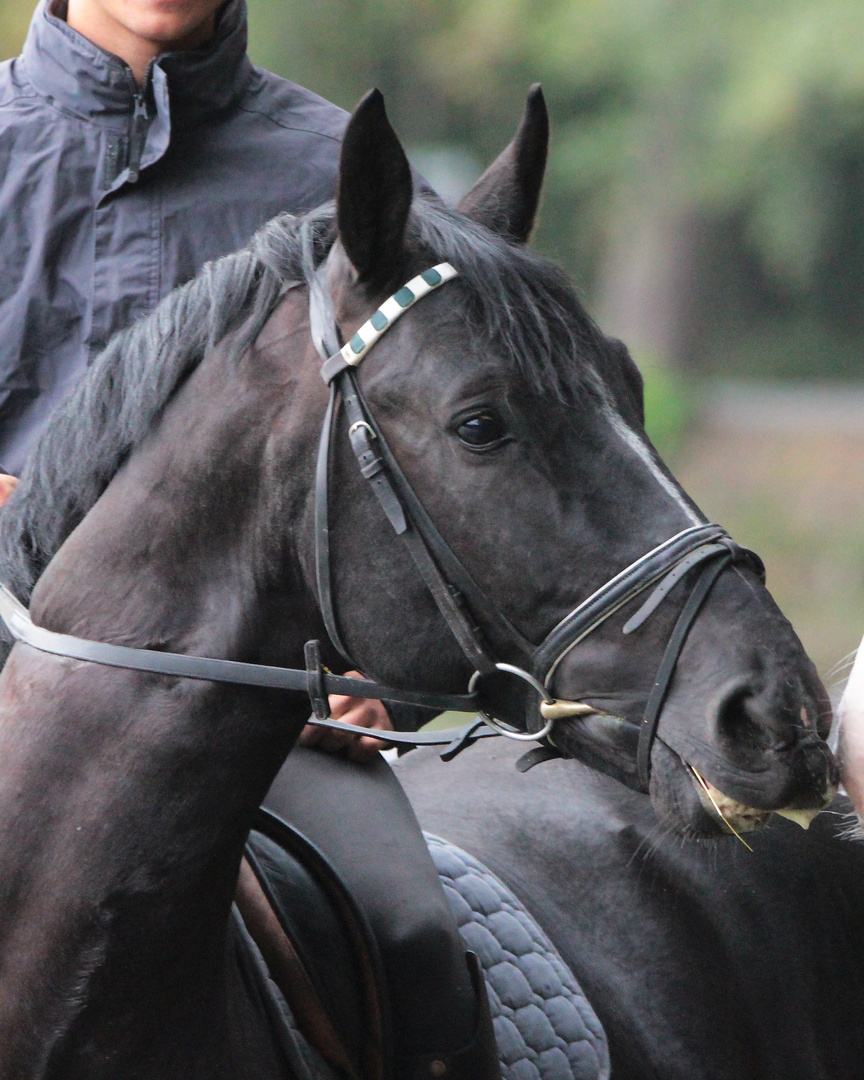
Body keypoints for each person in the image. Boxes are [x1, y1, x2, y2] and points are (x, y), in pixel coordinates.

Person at [0, 2, 493, 1074]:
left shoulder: (348, 186)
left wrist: (380, 687)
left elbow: (454, 491)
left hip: (256, 739)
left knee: (417, 940)